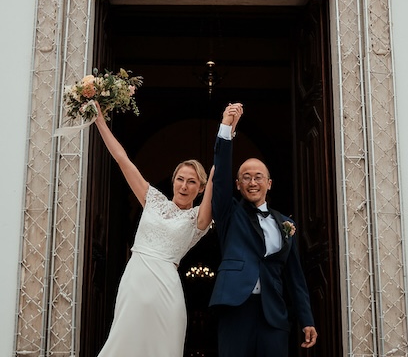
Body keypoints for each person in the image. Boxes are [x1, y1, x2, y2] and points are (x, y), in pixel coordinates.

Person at [91, 110, 213, 357]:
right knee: (123, 341)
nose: (184, 186)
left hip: (167, 291)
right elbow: (122, 158)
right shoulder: (153, 200)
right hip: (135, 280)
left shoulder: (198, 218)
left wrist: (226, 133)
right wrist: (100, 121)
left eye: (192, 182)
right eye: (180, 179)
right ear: (173, 181)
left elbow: (216, 180)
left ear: (200, 189)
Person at [209, 102, 317, 355]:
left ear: (269, 183)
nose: (252, 182)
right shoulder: (229, 213)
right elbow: (221, 177)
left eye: (258, 177)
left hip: (274, 315)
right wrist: (226, 128)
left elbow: (295, 277)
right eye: (246, 177)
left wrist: (307, 319)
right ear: (238, 184)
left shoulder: (286, 224)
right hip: (235, 309)